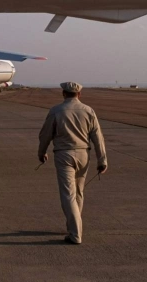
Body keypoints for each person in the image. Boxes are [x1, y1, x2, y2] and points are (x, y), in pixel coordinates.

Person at [38, 82, 107, 245]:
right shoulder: (88, 111)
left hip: (64, 154)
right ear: (79, 94)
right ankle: (74, 226)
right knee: (78, 192)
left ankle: (75, 234)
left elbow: (45, 134)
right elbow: (98, 137)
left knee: (68, 194)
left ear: (63, 93)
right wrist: (102, 160)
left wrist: (41, 153)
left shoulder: (56, 111)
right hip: (83, 155)